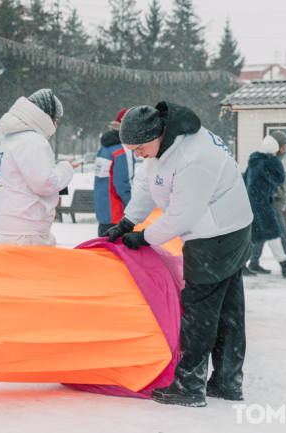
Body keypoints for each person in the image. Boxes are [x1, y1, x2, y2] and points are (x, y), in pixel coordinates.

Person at [105, 102, 253, 407]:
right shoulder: (163, 146)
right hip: (222, 226)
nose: (138, 155)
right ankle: (227, 382)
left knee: (199, 310)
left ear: (156, 133)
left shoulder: (192, 157)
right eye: (132, 149)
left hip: (218, 235)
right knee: (227, 309)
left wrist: (143, 237)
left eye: (140, 148)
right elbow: (148, 186)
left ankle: (189, 386)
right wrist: (127, 222)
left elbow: (180, 215)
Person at [0, 89, 78, 247]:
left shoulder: (9, 138)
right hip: (24, 233)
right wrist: (65, 168)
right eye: (55, 119)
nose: (56, 125)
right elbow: (44, 183)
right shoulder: (33, 140)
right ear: (45, 116)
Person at [244, 134, 286, 278]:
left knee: (255, 237)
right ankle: (285, 265)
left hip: (254, 204)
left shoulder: (254, 161)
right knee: (272, 234)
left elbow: (244, 181)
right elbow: (279, 177)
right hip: (262, 205)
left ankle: (243, 265)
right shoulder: (265, 163)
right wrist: (273, 157)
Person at [94, 108, 135, 237]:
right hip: (118, 213)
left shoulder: (104, 148)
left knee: (104, 251)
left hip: (104, 212)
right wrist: (133, 208)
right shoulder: (123, 151)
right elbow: (122, 184)